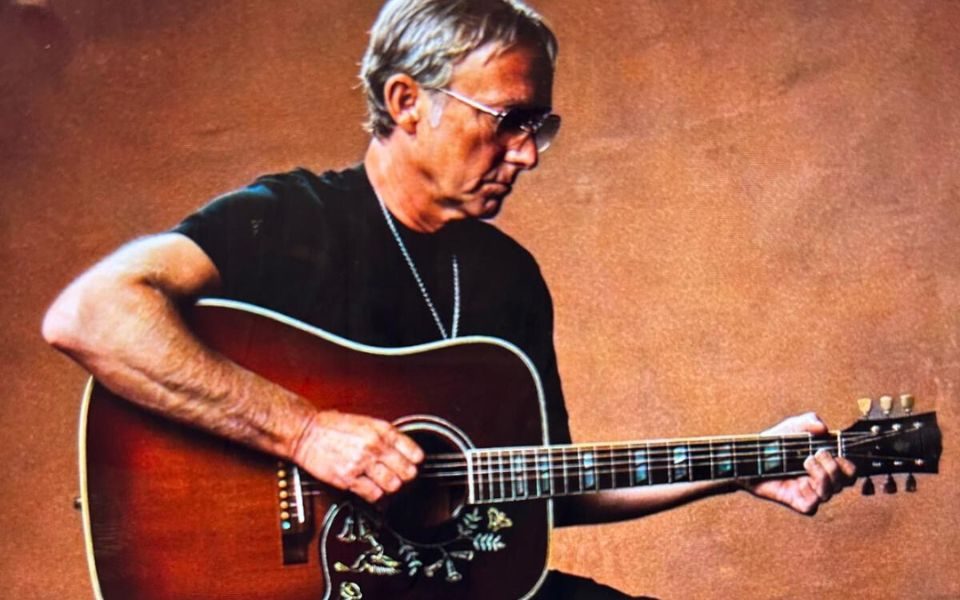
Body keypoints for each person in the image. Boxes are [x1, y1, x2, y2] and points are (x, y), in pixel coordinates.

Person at [42, 0, 856, 597]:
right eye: (507, 121)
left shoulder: (507, 278)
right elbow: (90, 313)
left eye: (541, 127)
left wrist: (750, 462)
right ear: (407, 102)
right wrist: (307, 433)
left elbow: (551, 491)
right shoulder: (290, 219)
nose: (528, 155)